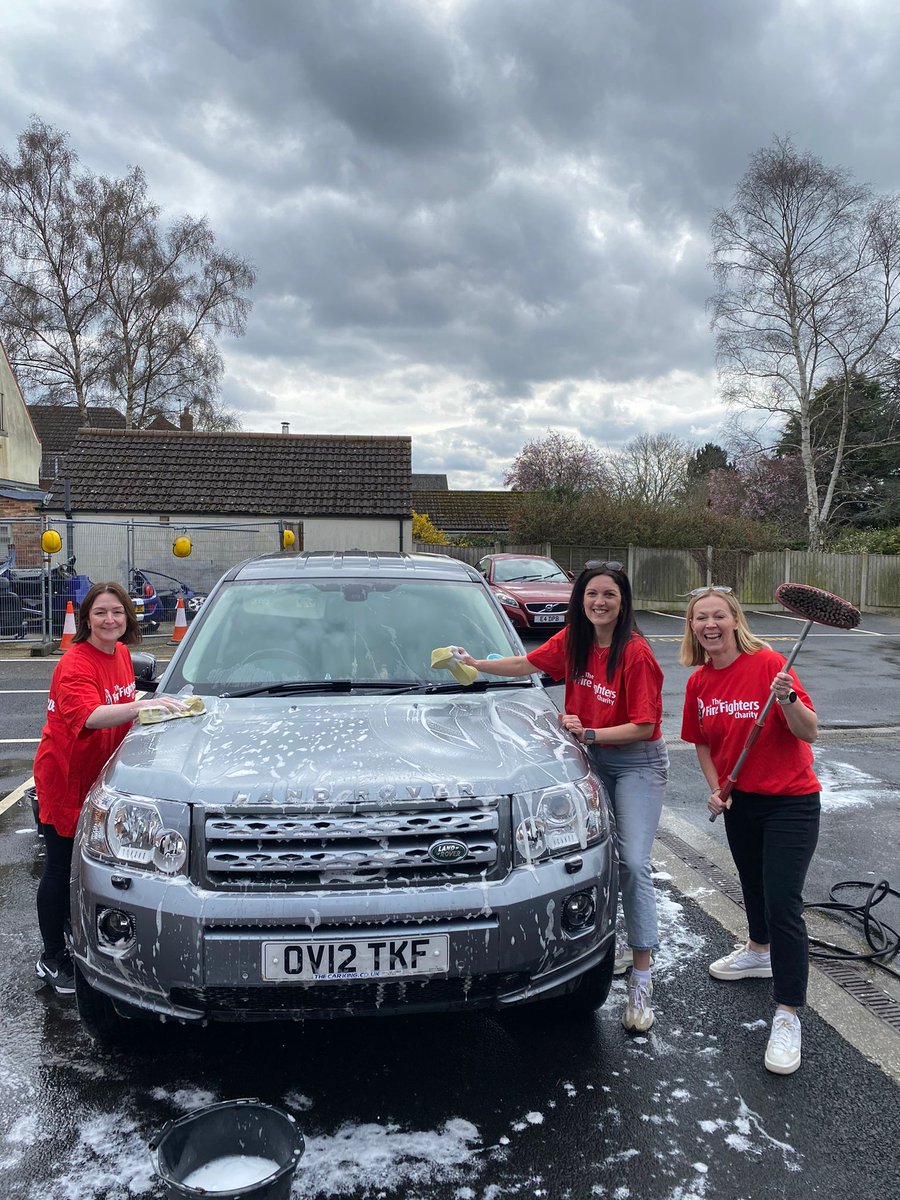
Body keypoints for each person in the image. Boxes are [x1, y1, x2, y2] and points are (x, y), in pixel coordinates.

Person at [458, 561, 667, 1032]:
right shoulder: (574, 640)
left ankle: (641, 976)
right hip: (590, 758)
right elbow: (525, 664)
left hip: (636, 763)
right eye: (592, 594)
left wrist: (590, 732)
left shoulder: (636, 654)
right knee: (599, 860)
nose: (600, 602)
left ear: (622, 601)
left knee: (633, 863)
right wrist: (475, 664)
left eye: (609, 595)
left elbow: (645, 726)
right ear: (580, 599)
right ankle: (603, 947)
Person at [679, 586, 820, 1076]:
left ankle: (787, 1014)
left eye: (719, 616)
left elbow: (809, 731)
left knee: (783, 903)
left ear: (735, 620)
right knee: (753, 887)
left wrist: (786, 700)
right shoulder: (699, 682)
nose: (710, 625)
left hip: (791, 801)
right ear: (692, 628)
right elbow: (700, 743)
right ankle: (758, 952)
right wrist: (719, 789)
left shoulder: (769, 665)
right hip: (743, 804)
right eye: (701, 618)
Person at [32, 582, 185, 996]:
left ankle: (72, 930)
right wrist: (140, 706)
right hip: (66, 777)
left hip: (100, 776)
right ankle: (52, 957)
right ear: (86, 619)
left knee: (89, 866)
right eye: (100, 612)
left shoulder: (119, 654)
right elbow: (91, 716)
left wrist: (159, 702)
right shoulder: (74, 663)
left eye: (116, 612)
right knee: (60, 868)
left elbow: (121, 699)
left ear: (127, 618)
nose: (109, 620)